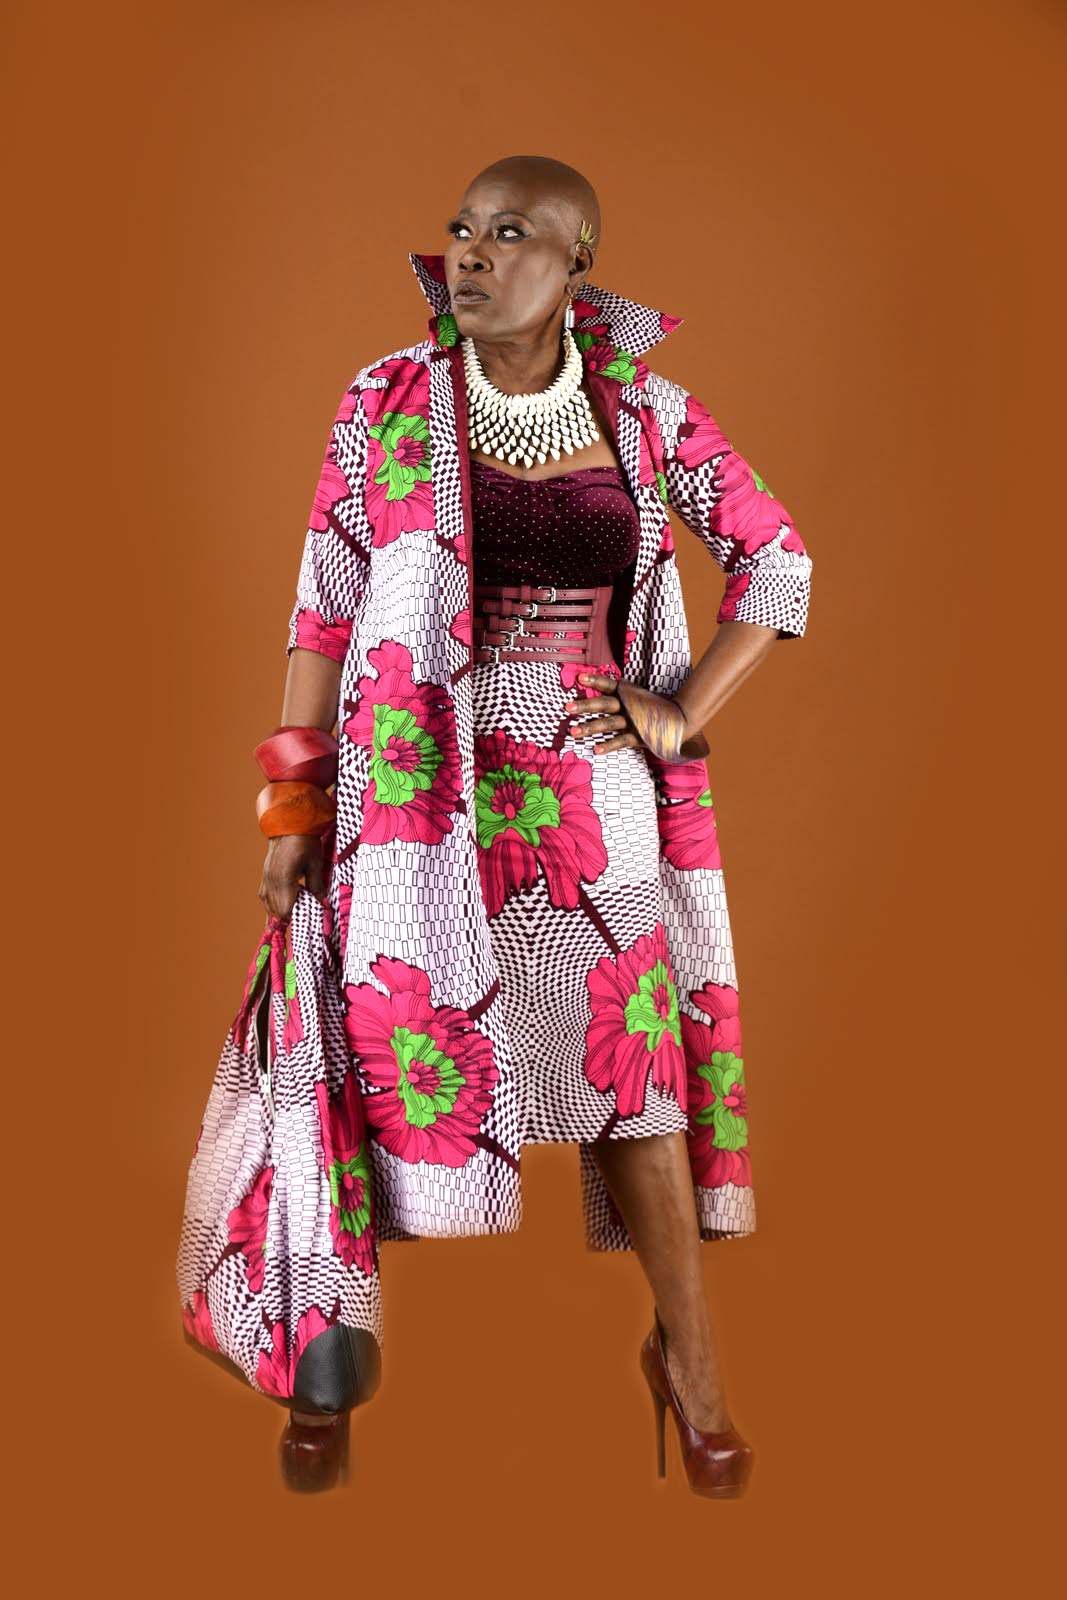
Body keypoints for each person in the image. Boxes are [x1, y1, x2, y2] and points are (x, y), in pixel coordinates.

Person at [257, 154, 812, 1494]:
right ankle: (317, 1362)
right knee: (368, 1063)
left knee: (635, 1085)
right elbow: (324, 611)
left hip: (589, 793)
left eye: (510, 234)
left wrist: (678, 710)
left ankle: (693, 1374)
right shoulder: (385, 399)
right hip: (412, 796)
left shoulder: (647, 412)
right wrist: (292, 804)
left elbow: (779, 559)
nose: (472, 251)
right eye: (463, 228)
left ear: (577, 266)